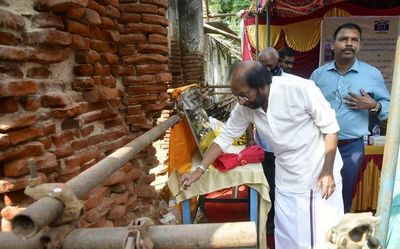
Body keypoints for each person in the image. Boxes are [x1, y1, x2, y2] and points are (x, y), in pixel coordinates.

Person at [182, 61, 344, 248]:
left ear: (262, 86)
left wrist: (327, 171)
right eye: (237, 97)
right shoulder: (245, 108)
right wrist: (200, 170)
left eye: (244, 95)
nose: (240, 101)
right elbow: (224, 138)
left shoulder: (300, 89)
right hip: (286, 177)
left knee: (321, 238)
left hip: (318, 175)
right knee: (287, 236)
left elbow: (330, 128)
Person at [310, 23, 390, 213]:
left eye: (354, 40)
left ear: (359, 45)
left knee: (344, 195)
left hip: (351, 147)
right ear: (333, 45)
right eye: (344, 39)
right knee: (315, 192)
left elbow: (390, 108)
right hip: (317, 144)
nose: (349, 44)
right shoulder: (318, 75)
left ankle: (338, 236)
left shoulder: (372, 75)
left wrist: (374, 106)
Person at [246, 47, 283, 234]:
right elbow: (245, 114)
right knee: (266, 183)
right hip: (264, 147)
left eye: (271, 66)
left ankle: (279, 219)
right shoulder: (252, 82)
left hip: (284, 148)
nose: (267, 70)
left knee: (280, 186)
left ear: (278, 63)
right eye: (263, 66)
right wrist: (250, 139)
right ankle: (267, 220)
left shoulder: (287, 83)